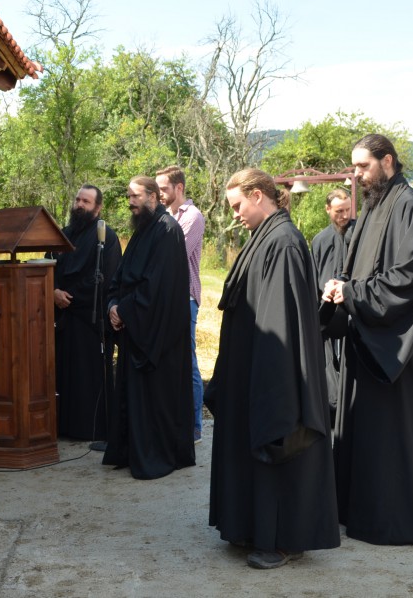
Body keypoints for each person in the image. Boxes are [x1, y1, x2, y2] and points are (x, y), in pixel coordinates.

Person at [322, 134, 413, 545]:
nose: (357, 176)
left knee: (394, 441)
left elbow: (410, 277)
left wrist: (354, 293)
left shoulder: (409, 205)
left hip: (399, 350)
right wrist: (341, 287)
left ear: (388, 161)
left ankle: (392, 521)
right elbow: (358, 269)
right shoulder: (374, 206)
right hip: (366, 337)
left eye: (363, 167)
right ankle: (356, 510)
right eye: (355, 168)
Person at [206, 169, 339, 570]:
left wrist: (270, 383)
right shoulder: (265, 237)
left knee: (278, 441)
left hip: (273, 371)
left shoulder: (283, 242)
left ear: (258, 195)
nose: (235, 215)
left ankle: (283, 540)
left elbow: (282, 321)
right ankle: (253, 527)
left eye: (237, 205)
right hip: (252, 368)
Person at [104, 176, 195, 479]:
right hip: (135, 324)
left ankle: (155, 454)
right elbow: (122, 275)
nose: (131, 202)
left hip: (157, 335)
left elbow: (158, 287)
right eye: (129, 196)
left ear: (153, 197)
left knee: (155, 397)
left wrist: (124, 310)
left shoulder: (167, 231)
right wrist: (113, 305)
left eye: (136, 196)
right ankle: (132, 450)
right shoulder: (144, 230)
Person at [50, 185, 121, 441]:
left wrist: (69, 297)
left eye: (86, 201)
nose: (80, 204)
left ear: (98, 207)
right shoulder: (62, 235)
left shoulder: (106, 238)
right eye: (78, 199)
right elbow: (48, 268)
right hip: (62, 319)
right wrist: (53, 291)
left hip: (89, 320)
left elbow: (106, 278)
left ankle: (89, 429)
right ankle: (62, 426)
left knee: (86, 378)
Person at [155, 165, 205, 442]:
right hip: (166, 297)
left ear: (179, 188)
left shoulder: (193, 216)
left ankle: (194, 426)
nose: (160, 194)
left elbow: (173, 255)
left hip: (185, 298)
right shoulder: (166, 216)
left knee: (188, 361)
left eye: (163, 189)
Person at [310, 188, 355, 424]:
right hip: (327, 319)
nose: (344, 215)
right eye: (339, 211)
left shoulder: (360, 234)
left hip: (354, 317)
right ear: (328, 209)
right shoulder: (320, 241)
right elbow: (314, 279)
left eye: (348, 209)